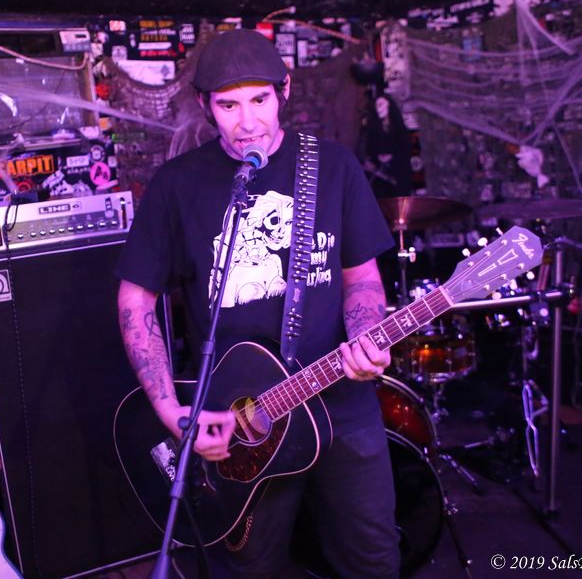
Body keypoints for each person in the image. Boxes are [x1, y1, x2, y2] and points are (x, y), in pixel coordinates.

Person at [116, 29, 400, 578]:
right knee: (249, 566)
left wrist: (368, 335)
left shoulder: (333, 167)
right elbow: (136, 298)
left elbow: (362, 278)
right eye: (229, 106)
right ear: (204, 105)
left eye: (260, 100)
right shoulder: (177, 185)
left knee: (372, 558)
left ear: (284, 90)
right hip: (241, 419)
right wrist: (171, 411)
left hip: (339, 402)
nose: (248, 122)